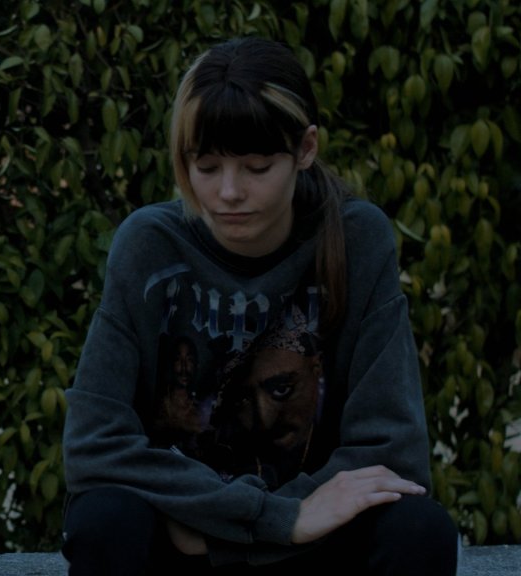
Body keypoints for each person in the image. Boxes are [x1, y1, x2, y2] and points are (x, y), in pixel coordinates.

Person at [61, 36, 458, 575]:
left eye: (256, 166)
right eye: (207, 167)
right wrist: (275, 519)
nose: (228, 192)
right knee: (105, 520)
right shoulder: (149, 245)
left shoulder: (359, 239)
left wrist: (263, 526)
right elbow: (94, 445)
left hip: (290, 536)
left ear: (306, 149)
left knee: (418, 528)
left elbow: (394, 450)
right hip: (202, 534)